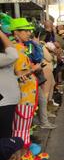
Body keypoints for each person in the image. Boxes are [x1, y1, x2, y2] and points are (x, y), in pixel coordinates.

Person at [9, 18, 40, 147]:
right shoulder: (18, 49)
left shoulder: (18, 47)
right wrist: (34, 68)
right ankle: (22, 157)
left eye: (29, 30)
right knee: (21, 129)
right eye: (25, 31)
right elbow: (20, 74)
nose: (29, 33)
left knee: (22, 129)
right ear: (16, 33)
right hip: (24, 97)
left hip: (25, 95)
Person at [0, 29, 20, 138]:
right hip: (3, 102)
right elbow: (14, 56)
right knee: (4, 136)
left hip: (6, 101)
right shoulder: (4, 57)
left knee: (6, 133)